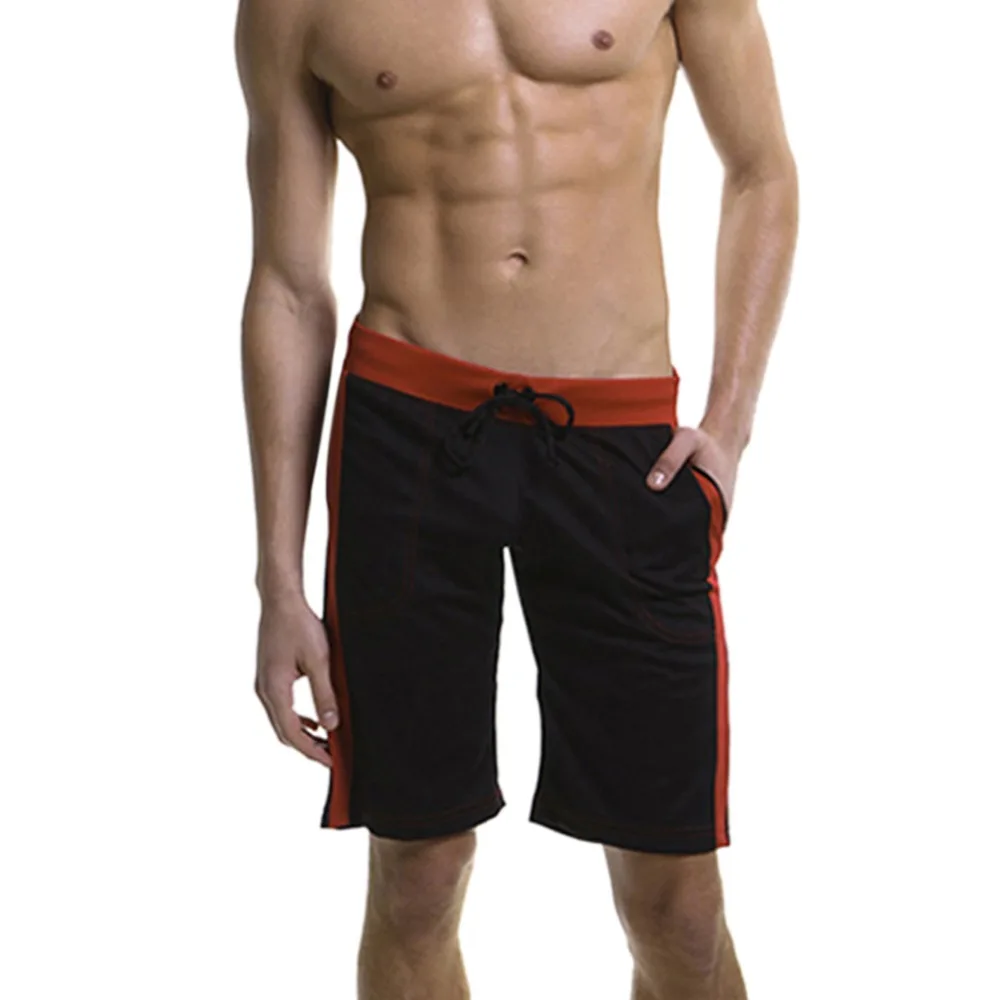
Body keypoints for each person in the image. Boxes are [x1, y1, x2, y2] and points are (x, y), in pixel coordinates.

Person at [236, 0, 797, 994]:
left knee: (677, 906)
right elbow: (287, 281)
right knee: (417, 873)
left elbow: (761, 170)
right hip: (407, 435)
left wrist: (731, 421)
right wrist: (278, 581)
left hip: (623, 442)